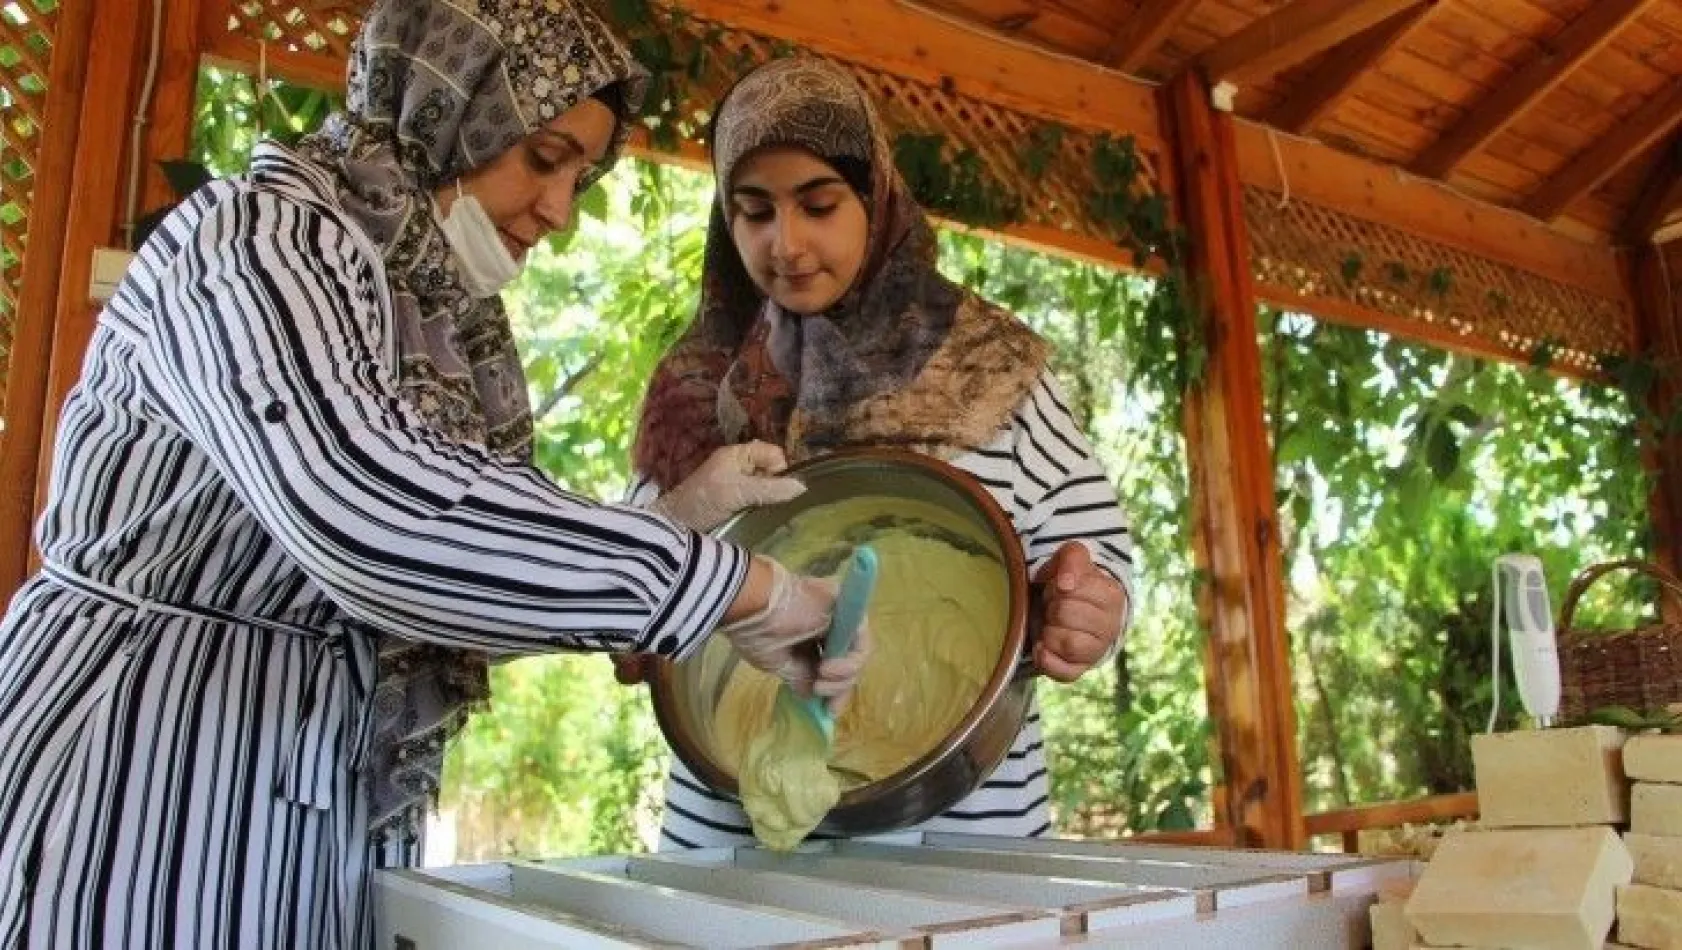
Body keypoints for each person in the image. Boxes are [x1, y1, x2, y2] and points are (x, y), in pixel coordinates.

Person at [0, 4, 865, 948]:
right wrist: (743, 590)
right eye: (543, 155)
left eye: (581, 174)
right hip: (142, 776)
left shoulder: (433, 317)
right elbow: (369, 513)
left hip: (313, 799)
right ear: (443, 106)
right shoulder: (256, 242)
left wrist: (677, 517)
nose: (559, 211)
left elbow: (457, 577)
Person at [629, 56, 1137, 849]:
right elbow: (627, 586)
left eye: (819, 204)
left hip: (965, 831)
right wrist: (664, 547)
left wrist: (1091, 606)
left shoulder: (991, 366)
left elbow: (1095, 549)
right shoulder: (697, 387)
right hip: (735, 839)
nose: (785, 244)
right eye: (753, 212)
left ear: (875, 196)